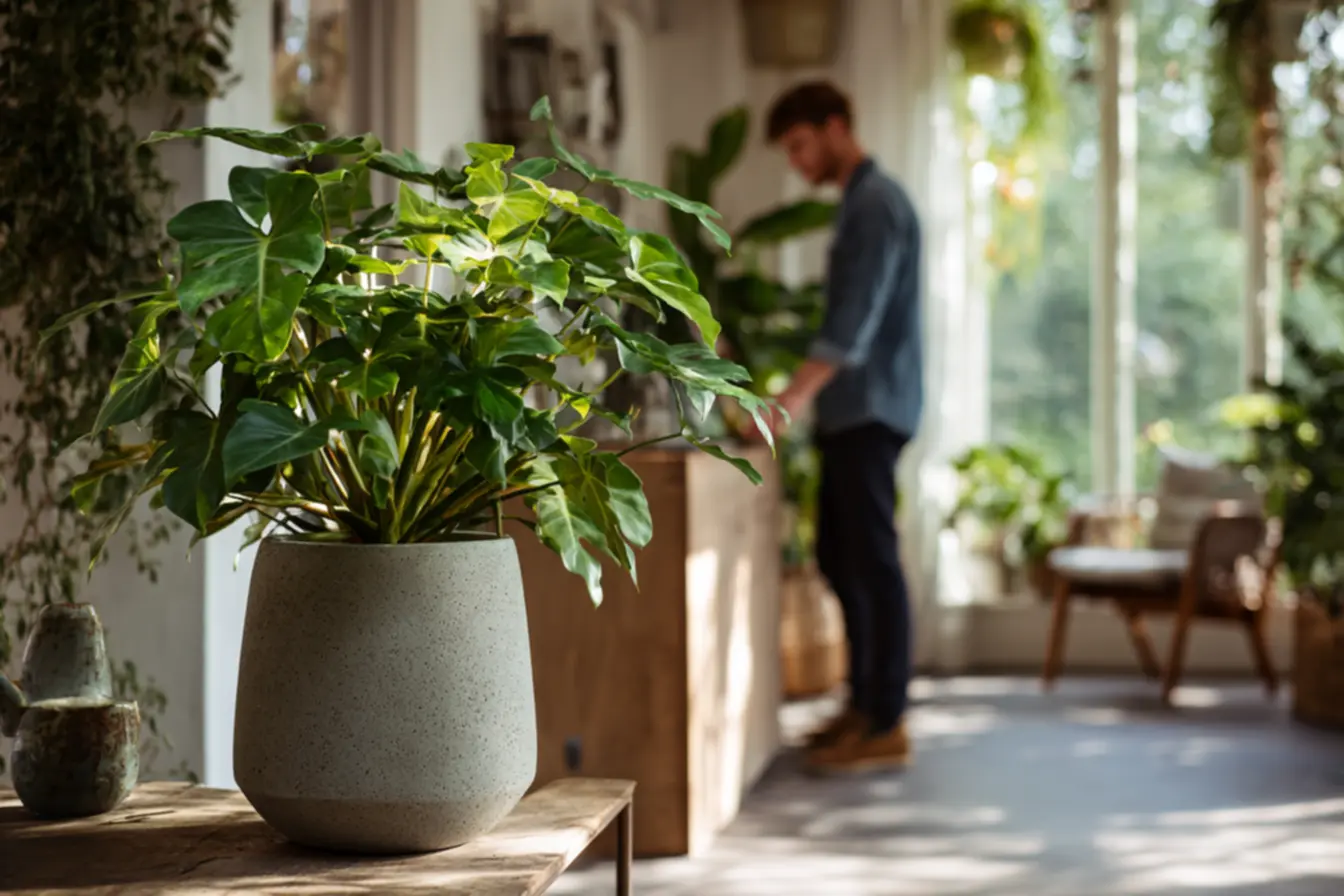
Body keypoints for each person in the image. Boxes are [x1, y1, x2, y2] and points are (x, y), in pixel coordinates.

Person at [747, 81, 923, 773]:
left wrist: (789, 396)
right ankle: (864, 705)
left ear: (835, 125)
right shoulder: (860, 202)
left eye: (799, 145)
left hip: (871, 409)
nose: (796, 163)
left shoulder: (877, 203)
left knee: (872, 562)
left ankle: (886, 720)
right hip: (853, 410)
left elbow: (854, 324)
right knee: (840, 558)